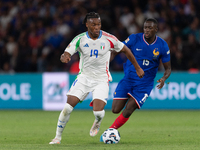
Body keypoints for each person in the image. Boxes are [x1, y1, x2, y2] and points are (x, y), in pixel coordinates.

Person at [49, 12, 144, 144]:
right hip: (84, 78)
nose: (96, 27)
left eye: (98, 24)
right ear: (87, 25)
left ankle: (97, 122)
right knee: (67, 108)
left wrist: (138, 68)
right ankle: (57, 137)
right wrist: (64, 57)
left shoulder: (109, 38)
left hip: (101, 79)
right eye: (93, 24)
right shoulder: (80, 39)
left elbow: (126, 49)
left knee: (98, 113)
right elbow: (66, 52)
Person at [100, 18, 171, 138]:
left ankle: (110, 131)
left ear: (156, 29)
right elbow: (119, 48)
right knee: (115, 109)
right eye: (145, 27)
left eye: (149, 28)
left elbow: (168, 68)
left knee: (129, 109)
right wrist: (108, 59)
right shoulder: (134, 38)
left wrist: (164, 78)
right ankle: (112, 129)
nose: (146, 30)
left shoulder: (162, 45)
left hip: (144, 84)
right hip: (128, 79)